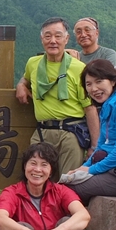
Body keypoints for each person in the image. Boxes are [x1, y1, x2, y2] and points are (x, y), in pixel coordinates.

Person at [15, 17, 99, 174]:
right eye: (48, 36)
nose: (53, 41)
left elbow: (89, 108)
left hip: (71, 133)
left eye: (58, 36)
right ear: (42, 39)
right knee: (36, 178)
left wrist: (94, 146)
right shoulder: (33, 63)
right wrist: (21, 85)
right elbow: (26, 78)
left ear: (66, 39)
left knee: (68, 181)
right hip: (42, 132)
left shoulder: (79, 68)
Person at [61, 59, 116, 204]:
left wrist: (91, 170)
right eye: (89, 84)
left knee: (69, 190)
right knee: (65, 185)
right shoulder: (108, 105)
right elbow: (101, 146)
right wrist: (84, 167)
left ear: (113, 81)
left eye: (99, 81)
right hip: (115, 170)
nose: (94, 89)